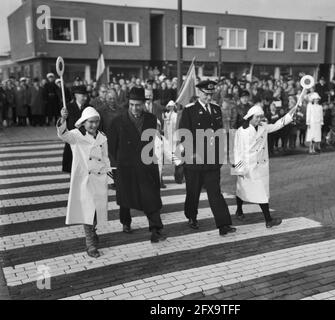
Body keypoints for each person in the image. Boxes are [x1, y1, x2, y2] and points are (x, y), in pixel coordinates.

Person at [107, 87, 167, 243]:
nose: (135, 108)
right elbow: (112, 148)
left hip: (146, 165)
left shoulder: (151, 119)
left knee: (151, 196)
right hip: (126, 166)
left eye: (138, 105)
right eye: (132, 104)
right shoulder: (117, 122)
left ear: (144, 104)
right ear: (128, 103)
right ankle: (126, 222)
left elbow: (152, 143)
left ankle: (156, 228)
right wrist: (120, 163)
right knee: (125, 197)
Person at [178, 80, 236, 236]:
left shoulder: (216, 110)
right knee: (193, 192)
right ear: (198, 93)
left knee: (215, 192)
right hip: (194, 161)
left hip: (211, 161)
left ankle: (223, 224)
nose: (209, 97)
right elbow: (184, 134)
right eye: (205, 94)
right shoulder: (189, 110)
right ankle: (191, 216)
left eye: (211, 94)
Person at [57, 106, 110, 258]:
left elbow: (106, 158)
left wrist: (110, 178)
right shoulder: (76, 136)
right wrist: (63, 119)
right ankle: (90, 244)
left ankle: (93, 232)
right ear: (84, 122)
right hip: (84, 180)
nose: (93, 125)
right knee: (87, 211)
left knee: (95, 212)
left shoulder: (102, 137)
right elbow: (63, 134)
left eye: (96, 122)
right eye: (90, 122)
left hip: (99, 179)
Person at [233, 104, 297, 227]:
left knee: (261, 193)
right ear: (250, 117)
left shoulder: (263, 127)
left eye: (260, 117)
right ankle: (239, 210)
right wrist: (238, 169)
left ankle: (268, 220)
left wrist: (290, 114)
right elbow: (237, 150)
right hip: (247, 166)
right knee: (242, 189)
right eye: (256, 117)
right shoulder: (241, 131)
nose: (259, 120)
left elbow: (278, 125)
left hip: (260, 167)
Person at [61, 85, 89, 173]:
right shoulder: (68, 107)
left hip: (85, 142)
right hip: (72, 142)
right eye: (82, 95)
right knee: (71, 167)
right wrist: (63, 118)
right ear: (76, 95)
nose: (85, 98)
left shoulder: (89, 108)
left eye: (86, 95)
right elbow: (62, 126)